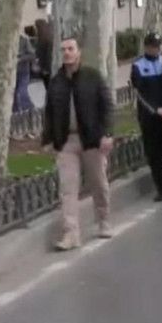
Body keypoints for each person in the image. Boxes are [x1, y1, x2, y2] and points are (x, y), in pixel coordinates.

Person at [42, 37, 115, 250]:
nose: (67, 52)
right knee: (67, 188)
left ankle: (103, 221)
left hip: (92, 140)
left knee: (98, 183)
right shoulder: (56, 82)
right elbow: (49, 112)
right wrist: (47, 139)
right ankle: (71, 233)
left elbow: (107, 106)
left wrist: (107, 134)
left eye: (70, 48)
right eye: (63, 49)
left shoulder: (92, 76)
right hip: (66, 141)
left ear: (78, 52)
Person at [131, 32, 162, 202]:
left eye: (158, 46)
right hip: (149, 116)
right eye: (153, 46)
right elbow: (140, 94)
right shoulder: (138, 66)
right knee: (154, 153)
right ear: (146, 47)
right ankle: (161, 188)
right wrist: (155, 110)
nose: (156, 49)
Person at [13, 31, 36, 113]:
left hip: (23, 72)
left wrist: (20, 59)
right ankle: (16, 114)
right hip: (11, 73)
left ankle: (30, 110)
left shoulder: (23, 39)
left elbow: (32, 55)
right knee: (12, 96)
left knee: (22, 93)